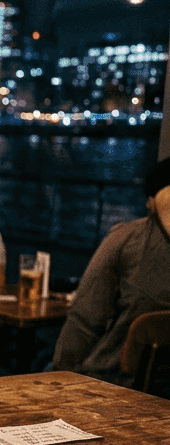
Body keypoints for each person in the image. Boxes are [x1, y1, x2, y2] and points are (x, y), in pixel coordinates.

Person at [53, 158, 170, 386]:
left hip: (111, 383)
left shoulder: (127, 239)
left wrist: (59, 376)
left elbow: (84, 321)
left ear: (150, 202)